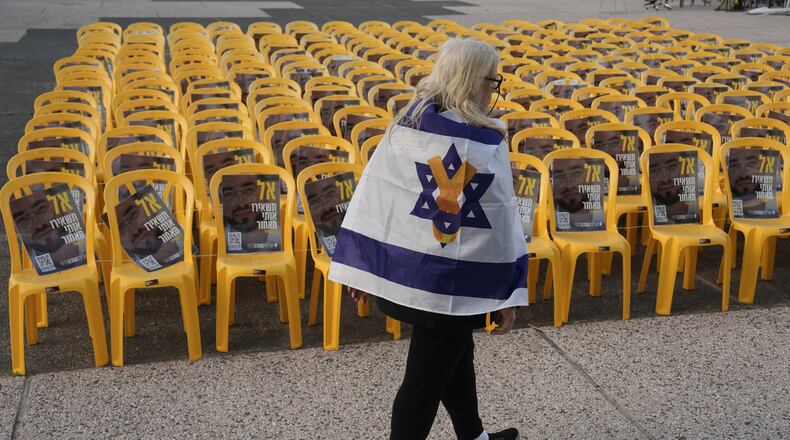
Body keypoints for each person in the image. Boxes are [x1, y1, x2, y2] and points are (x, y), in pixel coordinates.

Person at [329, 38, 527, 440]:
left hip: (413, 273)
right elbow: (503, 225)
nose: (496, 88)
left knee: (455, 357)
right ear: (474, 79)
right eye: (494, 79)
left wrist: (365, 267)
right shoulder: (486, 144)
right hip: (454, 282)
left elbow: (376, 199)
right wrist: (506, 293)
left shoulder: (409, 126)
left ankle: (475, 437)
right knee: (423, 384)